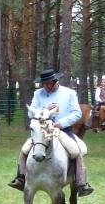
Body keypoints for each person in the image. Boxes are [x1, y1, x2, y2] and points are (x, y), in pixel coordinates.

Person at [8, 69, 94, 197]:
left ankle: (81, 183)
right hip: (42, 131)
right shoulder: (38, 94)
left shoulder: (69, 93)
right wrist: (45, 109)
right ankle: (21, 178)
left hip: (63, 129)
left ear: (55, 81)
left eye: (48, 83)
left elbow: (77, 113)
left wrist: (61, 123)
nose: (46, 86)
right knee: (24, 150)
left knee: (76, 151)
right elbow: (30, 112)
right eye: (44, 84)